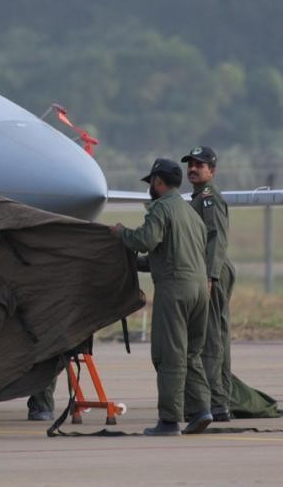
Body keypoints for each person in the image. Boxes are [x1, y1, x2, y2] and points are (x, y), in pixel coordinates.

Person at [111, 159, 212, 435]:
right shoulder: (191, 213)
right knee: (191, 353)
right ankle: (202, 410)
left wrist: (121, 234)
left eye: (151, 183)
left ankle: (169, 421)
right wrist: (136, 263)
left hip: (174, 290)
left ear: (158, 182)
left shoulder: (161, 208)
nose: (150, 189)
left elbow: (146, 240)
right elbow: (165, 253)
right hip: (199, 291)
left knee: (169, 356)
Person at [181, 146, 236, 422]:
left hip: (211, 271)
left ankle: (217, 402)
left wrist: (211, 275)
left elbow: (217, 238)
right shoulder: (197, 198)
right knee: (211, 335)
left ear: (211, 171)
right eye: (190, 164)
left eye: (199, 165)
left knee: (212, 336)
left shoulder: (209, 198)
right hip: (205, 269)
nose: (192, 168)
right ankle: (217, 399)